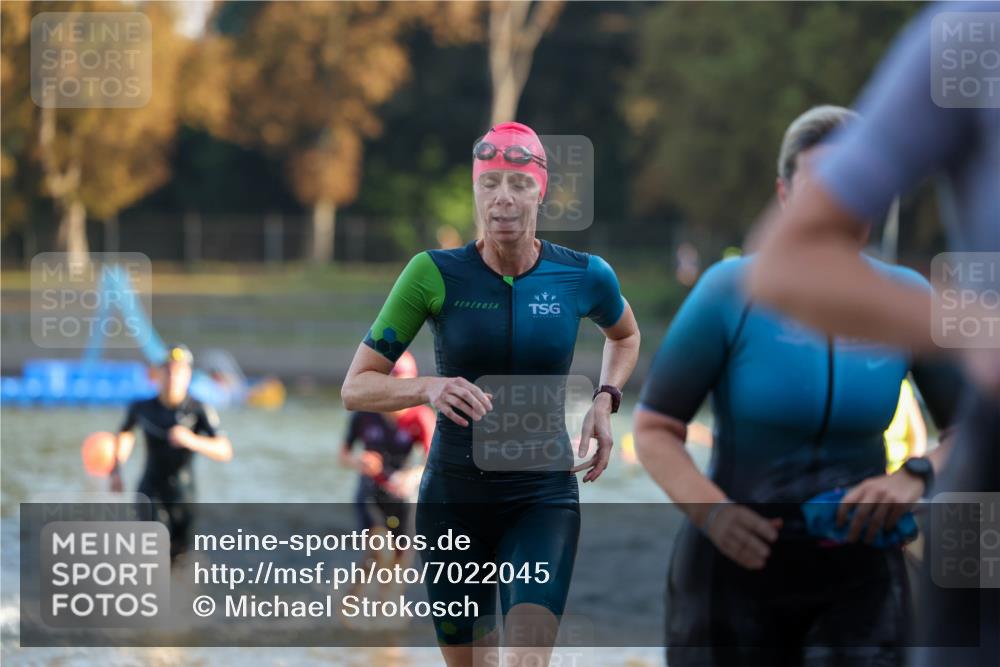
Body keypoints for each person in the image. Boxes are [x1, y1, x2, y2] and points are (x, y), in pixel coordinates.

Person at [634, 106, 964, 667]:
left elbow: (972, 429)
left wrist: (916, 476)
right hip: (732, 570)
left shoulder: (908, 299)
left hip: (861, 581)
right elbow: (654, 429)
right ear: (786, 196)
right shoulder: (730, 291)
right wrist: (713, 513)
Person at [747, 5, 998, 666]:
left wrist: (912, 475)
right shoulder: (970, 35)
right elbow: (788, 261)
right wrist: (981, 332)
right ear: (783, 189)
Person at [341, 121, 640, 667]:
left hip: (542, 497)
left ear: (540, 191)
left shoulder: (583, 277)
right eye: (490, 183)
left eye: (519, 184)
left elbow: (625, 335)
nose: (503, 198)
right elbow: (356, 386)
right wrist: (428, 387)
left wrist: (605, 398)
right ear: (476, 189)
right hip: (454, 501)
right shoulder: (431, 274)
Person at [111, 344, 233, 561]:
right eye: (168, 370)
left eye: (179, 371)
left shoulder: (198, 409)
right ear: (158, 374)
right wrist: (116, 469)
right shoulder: (142, 407)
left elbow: (225, 450)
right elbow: (125, 434)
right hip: (150, 491)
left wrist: (192, 440)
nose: (173, 377)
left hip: (184, 495)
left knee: (180, 559)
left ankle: (180, 593)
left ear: (188, 375)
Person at [339, 351, 433, 576]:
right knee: (381, 552)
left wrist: (412, 476)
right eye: (392, 388)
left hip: (402, 492)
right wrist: (359, 461)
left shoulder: (421, 416)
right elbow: (342, 456)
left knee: (401, 559)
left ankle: (385, 605)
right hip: (371, 490)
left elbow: (432, 460)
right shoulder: (365, 413)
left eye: (403, 388)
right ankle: (348, 605)